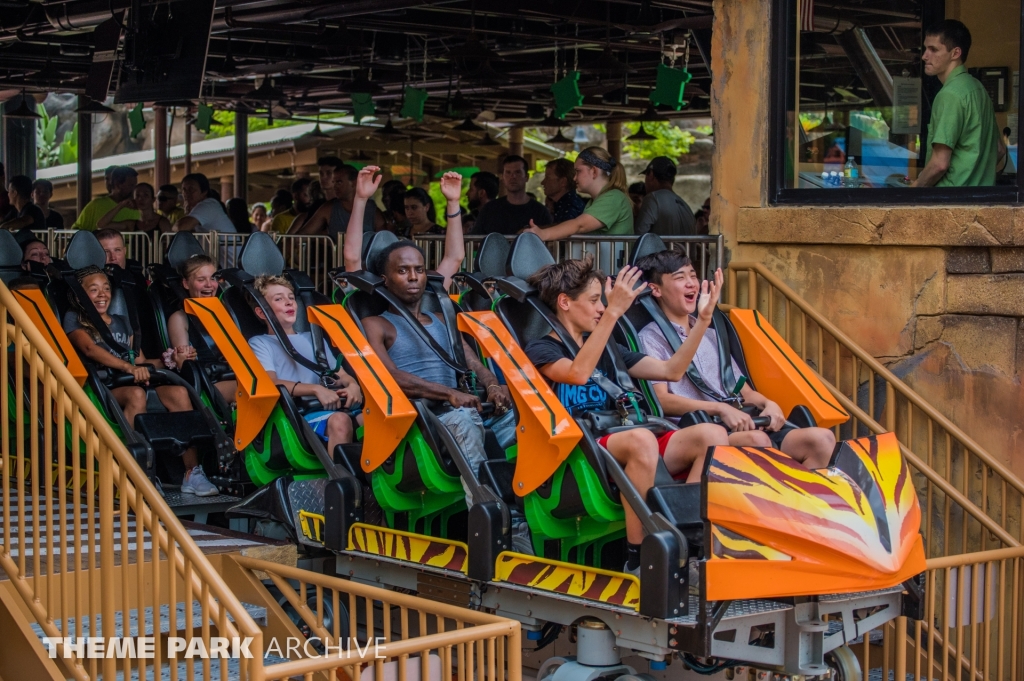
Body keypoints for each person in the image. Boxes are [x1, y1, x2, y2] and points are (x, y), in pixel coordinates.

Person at [523, 257, 719, 574]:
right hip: (577, 455)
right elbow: (577, 373)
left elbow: (673, 370)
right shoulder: (541, 349)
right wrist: (613, 313)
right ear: (565, 303)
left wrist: (704, 320)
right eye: (593, 300)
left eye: (604, 301)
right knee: (641, 440)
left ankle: (689, 542)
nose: (601, 307)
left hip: (623, 438)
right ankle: (638, 560)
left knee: (711, 436)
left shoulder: (608, 347)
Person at [345, 168, 513, 506]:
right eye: (402, 271)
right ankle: (488, 514)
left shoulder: (440, 317)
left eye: (419, 270)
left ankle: (521, 503)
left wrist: (491, 383)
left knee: (523, 414)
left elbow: (468, 357)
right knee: (465, 421)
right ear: (384, 278)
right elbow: (390, 377)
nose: (413, 277)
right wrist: (361, 199)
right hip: (419, 419)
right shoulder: (377, 324)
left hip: (459, 408)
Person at [634, 250, 835, 471]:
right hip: (699, 429)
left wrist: (769, 404)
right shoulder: (650, 338)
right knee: (758, 442)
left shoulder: (711, 335)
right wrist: (719, 409)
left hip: (742, 423)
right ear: (656, 289)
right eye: (680, 278)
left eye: (693, 275)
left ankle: (802, 503)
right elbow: (661, 400)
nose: (691, 283)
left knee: (822, 440)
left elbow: (744, 391)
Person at [63, 265, 218, 495]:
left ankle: (191, 472)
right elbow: (89, 349)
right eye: (94, 290)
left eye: (106, 289)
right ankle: (139, 471)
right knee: (136, 394)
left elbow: (141, 361)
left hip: (132, 381)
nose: (102, 294)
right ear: (79, 295)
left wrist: (171, 359)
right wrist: (127, 367)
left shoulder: (122, 322)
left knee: (180, 393)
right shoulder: (74, 319)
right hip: (103, 387)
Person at [247, 275, 362, 458]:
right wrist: (316, 389)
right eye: (279, 299)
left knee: (374, 420)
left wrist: (353, 386)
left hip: (334, 406)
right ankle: (341, 483)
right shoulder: (260, 343)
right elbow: (270, 382)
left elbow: (341, 374)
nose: (288, 302)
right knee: (340, 421)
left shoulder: (313, 338)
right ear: (261, 312)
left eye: (291, 297)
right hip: (298, 415)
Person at [913, 20, 1004, 187]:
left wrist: (915, 188)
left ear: (955, 53)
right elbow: (999, 150)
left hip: (949, 202)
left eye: (933, 49)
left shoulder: (949, 94)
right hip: (982, 201)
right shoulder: (979, 89)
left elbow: (939, 164)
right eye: (925, 49)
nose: (924, 56)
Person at [166, 254, 238, 404]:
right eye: (201, 280)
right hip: (207, 383)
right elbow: (185, 365)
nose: (209, 285)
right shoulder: (180, 318)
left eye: (213, 278)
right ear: (186, 284)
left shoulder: (227, 312)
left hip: (235, 375)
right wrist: (184, 356)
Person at [525, 147, 633, 241]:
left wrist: (542, 234)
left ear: (594, 171)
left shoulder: (613, 197)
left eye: (578, 171)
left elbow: (580, 225)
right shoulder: (596, 201)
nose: (574, 177)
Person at [473, 155, 552, 235]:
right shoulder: (489, 210)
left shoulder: (540, 212)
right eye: (508, 172)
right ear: (502, 177)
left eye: (517, 172)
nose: (512, 176)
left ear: (526, 177)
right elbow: (475, 240)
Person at [297, 163, 382, 237]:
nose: (335, 186)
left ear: (354, 183)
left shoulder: (372, 209)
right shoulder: (328, 208)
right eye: (333, 182)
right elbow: (304, 233)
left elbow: (383, 239)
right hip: (338, 255)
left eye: (339, 182)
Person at [635, 157, 696, 235]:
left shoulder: (653, 198)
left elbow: (639, 237)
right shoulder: (686, 207)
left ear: (651, 174)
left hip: (664, 248)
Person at [73, 166, 141, 231]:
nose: (134, 189)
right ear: (118, 185)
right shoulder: (96, 205)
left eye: (135, 185)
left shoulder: (138, 207)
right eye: (131, 185)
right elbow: (77, 229)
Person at [172, 173, 236, 233]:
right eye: (184, 190)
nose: (186, 193)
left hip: (224, 245)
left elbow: (181, 227)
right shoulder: (199, 207)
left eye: (191, 189)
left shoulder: (208, 205)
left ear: (204, 192)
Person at [541, 159, 585, 223]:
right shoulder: (561, 205)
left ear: (563, 182)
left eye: (548, 178)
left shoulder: (571, 206)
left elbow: (567, 229)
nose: (542, 182)